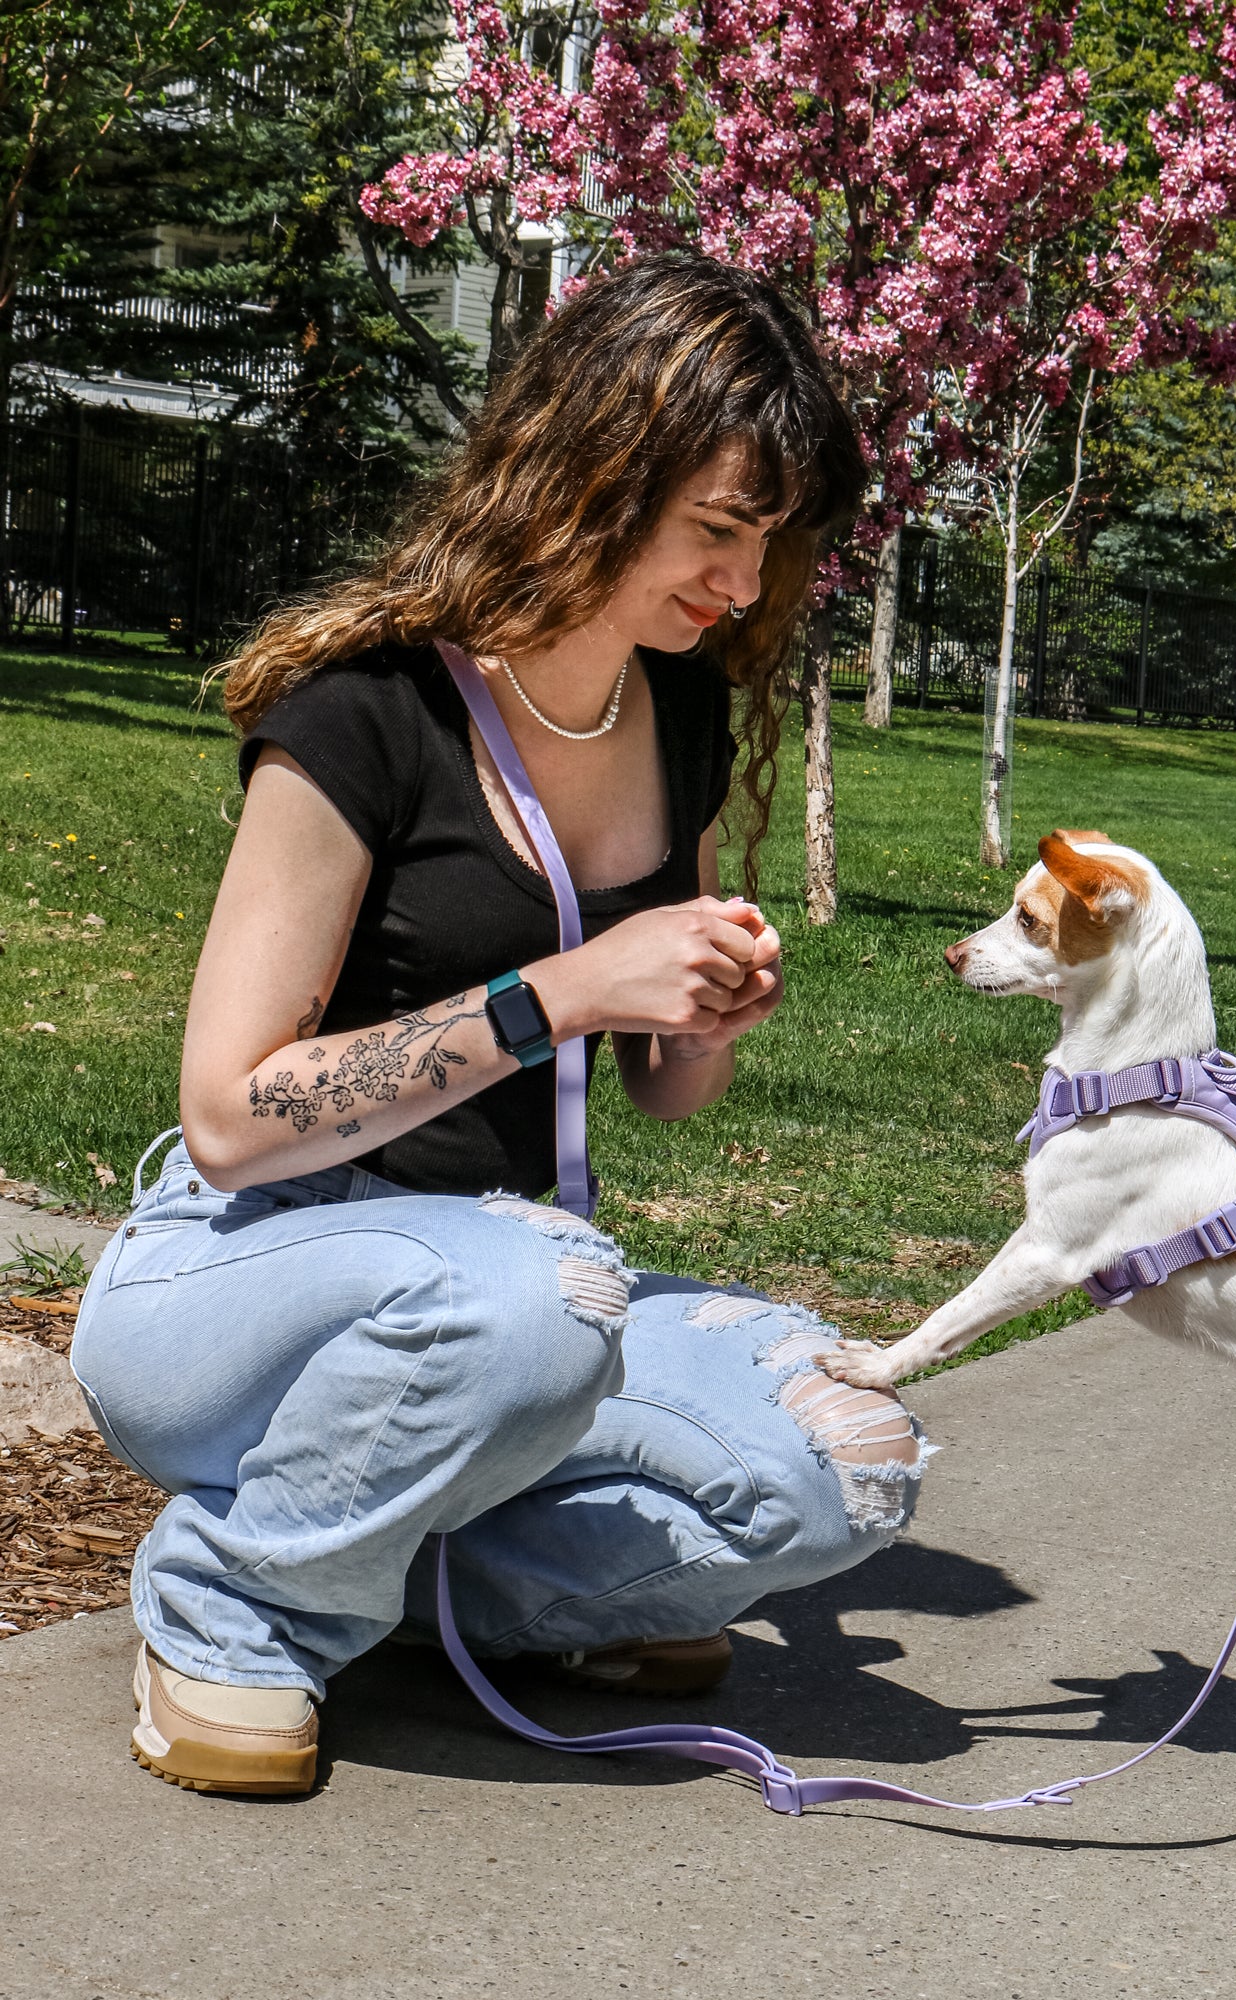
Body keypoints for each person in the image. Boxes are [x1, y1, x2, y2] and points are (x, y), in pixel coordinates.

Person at [71, 256, 927, 1798]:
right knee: (538, 1298)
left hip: (508, 1279)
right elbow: (228, 1115)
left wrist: (709, 1011)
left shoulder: (676, 717)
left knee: (841, 1462)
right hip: (242, 1271)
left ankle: (384, 1560)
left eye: (771, 542)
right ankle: (232, 1605)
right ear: (600, 469)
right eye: (717, 529)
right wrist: (564, 996)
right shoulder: (364, 710)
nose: (742, 583)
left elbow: (662, 1097)